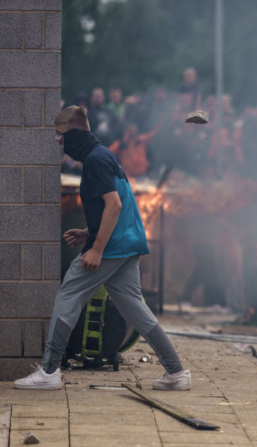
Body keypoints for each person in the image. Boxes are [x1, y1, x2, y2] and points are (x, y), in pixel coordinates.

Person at [14, 106, 190, 391]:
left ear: (73, 135)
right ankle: (176, 372)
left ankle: (48, 371)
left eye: (60, 137)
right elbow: (118, 202)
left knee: (68, 295)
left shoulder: (96, 160)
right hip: (128, 243)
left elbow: (115, 204)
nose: (59, 144)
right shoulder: (103, 155)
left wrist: (96, 248)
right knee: (136, 310)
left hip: (113, 248)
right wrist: (88, 232)